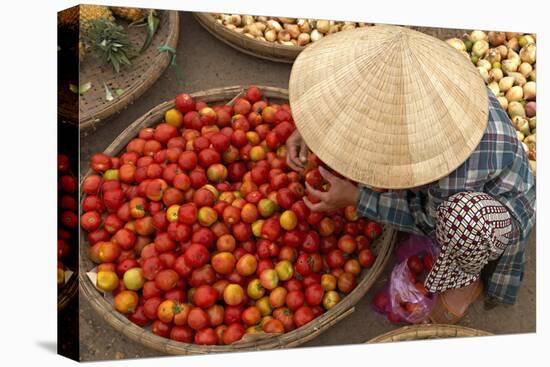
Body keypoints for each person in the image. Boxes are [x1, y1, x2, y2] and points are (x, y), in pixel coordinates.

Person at [285, 25, 535, 323]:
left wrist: (356, 197)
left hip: (490, 209)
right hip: (456, 171)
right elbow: (350, 99)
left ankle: (466, 282)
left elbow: (427, 220)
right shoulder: (428, 83)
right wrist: (313, 131)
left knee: (461, 222)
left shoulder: (454, 172)